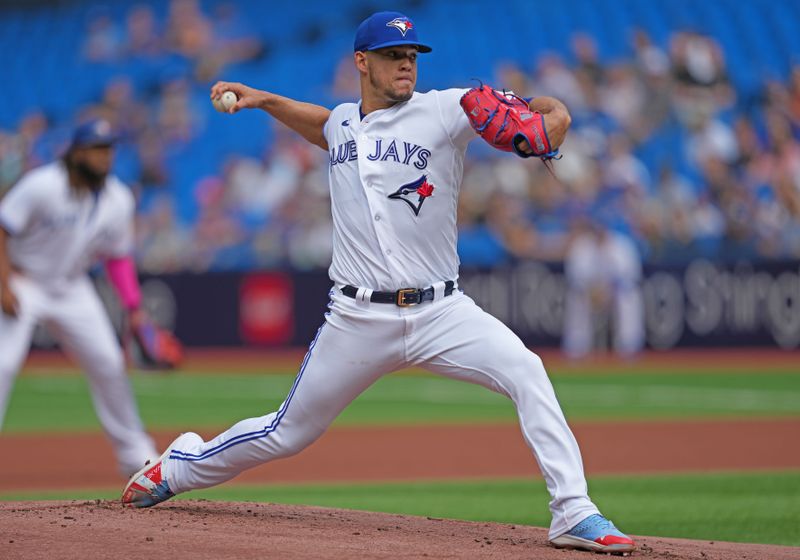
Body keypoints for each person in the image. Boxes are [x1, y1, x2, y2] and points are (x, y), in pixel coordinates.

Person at [122, 11, 635, 555]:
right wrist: (267, 100)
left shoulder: (444, 109)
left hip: (443, 312)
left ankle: (573, 511)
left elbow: (536, 130)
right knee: (287, 433)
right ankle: (179, 468)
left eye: (412, 56)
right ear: (362, 62)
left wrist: (554, 111)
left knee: (526, 371)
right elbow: (325, 125)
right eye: (394, 55)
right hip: (357, 319)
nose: (406, 64)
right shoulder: (344, 121)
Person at [0, 119, 159, 477]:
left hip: (72, 286)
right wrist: (4, 283)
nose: (104, 157)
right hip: (24, 281)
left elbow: (118, 257)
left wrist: (134, 309)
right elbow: (4, 228)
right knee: (4, 363)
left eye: (109, 149)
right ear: (77, 152)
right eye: (97, 149)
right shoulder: (43, 185)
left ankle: (137, 455)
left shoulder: (118, 198)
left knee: (108, 362)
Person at [562, 218, 645, 359]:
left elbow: (631, 277)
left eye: (602, 229)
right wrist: (591, 292)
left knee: (629, 298)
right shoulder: (581, 245)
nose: (599, 232)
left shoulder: (622, 245)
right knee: (576, 298)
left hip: (617, 292)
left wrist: (609, 291)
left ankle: (629, 346)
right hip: (589, 293)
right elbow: (575, 278)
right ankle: (577, 347)